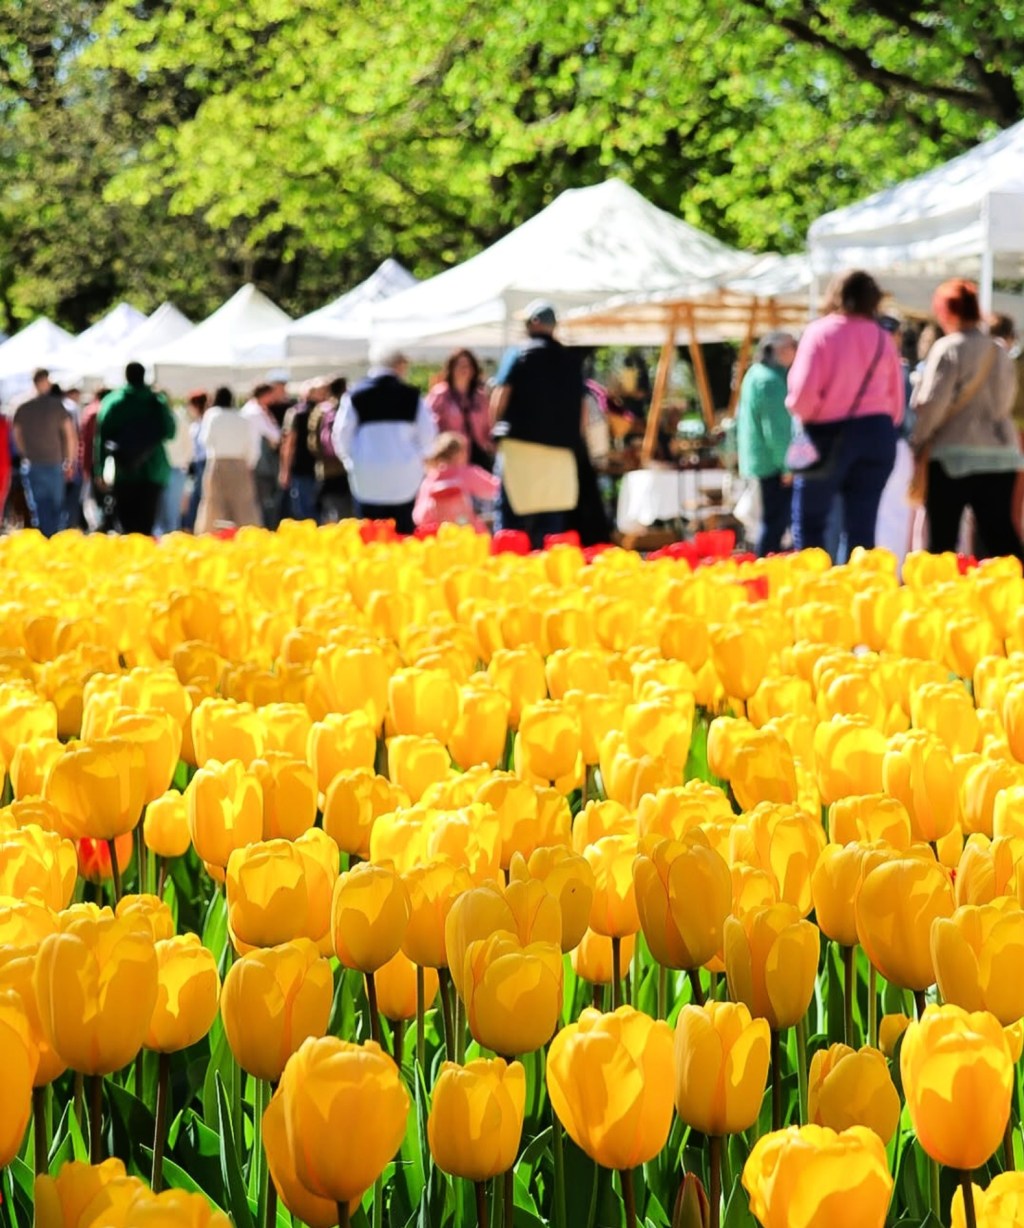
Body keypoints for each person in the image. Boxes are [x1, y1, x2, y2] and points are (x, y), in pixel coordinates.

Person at [786, 270, 903, 553]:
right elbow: (896, 402)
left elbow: (802, 396)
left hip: (827, 433)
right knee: (862, 529)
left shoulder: (820, 332)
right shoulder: (882, 337)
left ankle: (813, 579)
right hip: (877, 434)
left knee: (810, 524)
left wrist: (812, 415)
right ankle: (861, 579)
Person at [911, 279, 1021, 559]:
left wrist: (918, 442)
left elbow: (932, 404)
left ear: (946, 312)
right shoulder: (999, 351)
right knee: (1000, 537)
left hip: (952, 455)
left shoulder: (948, 348)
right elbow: (1005, 402)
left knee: (942, 541)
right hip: (1000, 453)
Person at [489, 300, 587, 549]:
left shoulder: (518, 353)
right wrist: (575, 440)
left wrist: (494, 430)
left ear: (533, 323)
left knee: (511, 523)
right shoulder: (571, 360)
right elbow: (583, 408)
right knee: (551, 524)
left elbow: (501, 394)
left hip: (519, 448)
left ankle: (508, 565)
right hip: (559, 452)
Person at [331, 345, 436, 534]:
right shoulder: (412, 396)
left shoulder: (354, 395)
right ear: (400, 364)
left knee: (370, 537)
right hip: (405, 479)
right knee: (403, 537)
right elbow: (428, 436)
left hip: (367, 478)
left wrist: (351, 461)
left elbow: (341, 435)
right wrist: (417, 460)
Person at [94, 362, 176, 535]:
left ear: (126, 376)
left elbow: (101, 439)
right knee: (147, 527)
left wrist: (99, 470)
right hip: (154, 470)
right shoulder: (156, 401)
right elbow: (170, 432)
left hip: (124, 471)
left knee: (127, 528)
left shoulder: (113, 402)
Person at [736, 331, 798, 555]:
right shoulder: (769, 380)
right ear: (778, 350)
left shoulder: (755, 374)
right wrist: (787, 466)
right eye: (793, 346)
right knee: (775, 525)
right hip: (773, 463)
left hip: (761, 461)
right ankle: (765, 568)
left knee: (771, 523)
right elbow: (777, 431)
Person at [11, 369, 77, 537]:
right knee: (56, 508)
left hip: (33, 463)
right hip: (54, 462)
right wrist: (70, 460)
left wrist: (24, 454)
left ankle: (46, 541)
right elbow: (70, 435)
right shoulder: (57, 406)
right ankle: (53, 541)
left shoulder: (23, 407)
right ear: (47, 381)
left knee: (39, 509)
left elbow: (16, 434)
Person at [194, 387, 262, 533]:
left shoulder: (212, 414)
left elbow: (205, 440)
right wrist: (249, 464)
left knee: (214, 503)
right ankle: (250, 535)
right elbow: (252, 445)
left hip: (218, 462)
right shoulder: (242, 417)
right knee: (244, 505)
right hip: (240, 463)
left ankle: (210, 535)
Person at [413, 431, 500, 532]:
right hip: (468, 532)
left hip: (440, 535)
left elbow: (418, 517)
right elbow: (496, 490)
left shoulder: (430, 479)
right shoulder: (466, 473)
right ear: (460, 452)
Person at [425, 349, 494, 470]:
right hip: (450, 456)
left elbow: (488, 425)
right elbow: (429, 424)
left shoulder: (480, 397)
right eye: (460, 365)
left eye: (468, 366)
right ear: (451, 368)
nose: (464, 369)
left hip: (477, 453)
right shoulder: (440, 394)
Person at [279, 379, 324, 522]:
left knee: (305, 512)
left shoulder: (296, 413)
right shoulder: (327, 411)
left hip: (301, 467)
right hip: (325, 468)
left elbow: (289, 443)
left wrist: (285, 470)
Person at [240, 382, 284, 530]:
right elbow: (275, 436)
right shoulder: (257, 412)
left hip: (249, 460)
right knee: (265, 500)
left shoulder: (248, 410)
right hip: (260, 462)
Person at [309, 377, 351, 523]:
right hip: (348, 467)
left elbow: (313, 442)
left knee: (331, 510)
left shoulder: (320, 411)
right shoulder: (348, 408)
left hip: (327, 469)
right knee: (349, 513)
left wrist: (321, 458)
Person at [154, 396, 194, 536]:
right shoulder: (177, 419)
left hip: (173, 469)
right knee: (166, 515)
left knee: (168, 515)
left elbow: (189, 446)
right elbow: (189, 447)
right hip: (171, 469)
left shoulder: (178, 420)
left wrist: (184, 463)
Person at [183, 391, 209, 532]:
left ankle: (191, 526)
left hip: (203, 462)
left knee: (198, 495)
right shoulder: (199, 423)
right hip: (198, 463)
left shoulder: (204, 422)